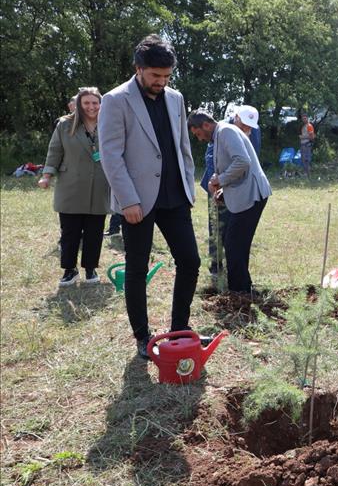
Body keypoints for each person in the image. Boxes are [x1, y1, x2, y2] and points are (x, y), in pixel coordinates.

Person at [99, 35, 201, 360]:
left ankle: (179, 329)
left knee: (190, 261)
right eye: (155, 75)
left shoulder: (176, 98)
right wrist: (127, 200)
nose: (161, 82)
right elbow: (111, 155)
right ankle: (143, 337)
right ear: (138, 68)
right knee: (137, 268)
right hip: (137, 202)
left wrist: (188, 187)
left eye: (167, 76)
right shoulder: (116, 100)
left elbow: (183, 146)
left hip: (175, 197)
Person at [190, 107, 272, 294]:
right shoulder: (220, 134)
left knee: (234, 244)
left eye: (198, 134)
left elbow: (242, 162)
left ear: (206, 125)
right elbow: (233, 165)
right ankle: (242, 288)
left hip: (253, 194)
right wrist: (223, 189)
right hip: (246, 194)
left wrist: (220, 180)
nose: (199, 139)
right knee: (235, 244)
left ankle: (238, 291)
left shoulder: (226, 131)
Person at [39, 87, 110, 286]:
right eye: (86, 103)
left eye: (95, 103)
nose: (91, 107)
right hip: (71, 185)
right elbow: (54, 151)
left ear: (101, 104)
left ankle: (90, 268)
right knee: (70, 231)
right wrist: (46, 176)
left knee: (95, 231)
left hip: (99, 185)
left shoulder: (109, 123)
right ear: (79, 104)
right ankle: (69, 270)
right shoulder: (65, 124)